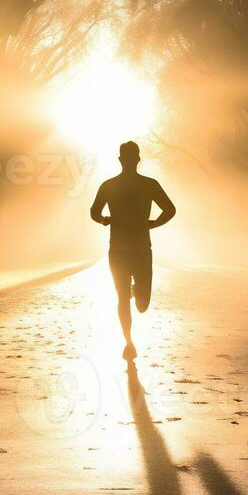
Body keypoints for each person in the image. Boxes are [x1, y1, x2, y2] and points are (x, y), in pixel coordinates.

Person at [90, 141, 176, 360]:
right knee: (124, 298)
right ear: (134, 159)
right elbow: (170, 210)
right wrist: (152, 223)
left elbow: (170, 209)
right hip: (125, 250)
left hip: (134, 250)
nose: (129, 161)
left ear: (128, 160)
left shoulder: (138, 185)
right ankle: (128, 342)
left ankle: (137, 292)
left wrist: (103, 220)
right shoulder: (138, 185)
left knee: (140, 303)